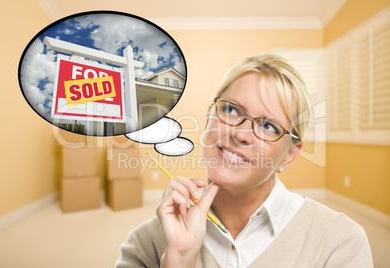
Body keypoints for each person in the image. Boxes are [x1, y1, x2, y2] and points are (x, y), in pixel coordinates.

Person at [115, 53, 373, 267]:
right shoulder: (145, 244)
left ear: (290, 155)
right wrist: (179, 260)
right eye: (231, 110)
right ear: (208, 117)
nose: (240, 134)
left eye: (269, 126)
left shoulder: (340, 242)